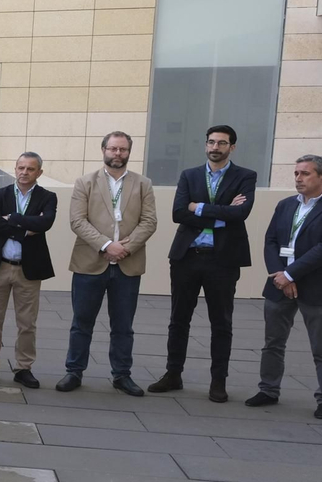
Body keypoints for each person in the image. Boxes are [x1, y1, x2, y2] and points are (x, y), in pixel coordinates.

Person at [149, 125, 257, 403]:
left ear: (232, 147)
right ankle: (173, 374)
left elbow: (241, 213)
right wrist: (222, 214)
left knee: (221, 322)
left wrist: (198, 207)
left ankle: (218, 382)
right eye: (211, 142)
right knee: (178, 319)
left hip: (223, 260)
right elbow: (177, 213)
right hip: (187, 257)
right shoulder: (190, 175)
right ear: (205, 145)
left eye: (222, 143)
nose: (215, 147)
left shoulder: (245, 176)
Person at [58, 131, 157, 396]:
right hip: (90, 263)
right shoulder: (85, 182)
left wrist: (125, 247)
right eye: (113, 149)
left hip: (128, 263)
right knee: (82, 322)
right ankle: (74, 372)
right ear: (103, 149)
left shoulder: (143, 183)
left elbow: (150, 221)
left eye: (123, 150)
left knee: (123, 326)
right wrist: (106, 245)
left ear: (129, 152)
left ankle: (122, 375)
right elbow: (77, 221)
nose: (117, 154)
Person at [0, 153, 57, 388]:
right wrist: (25, 227)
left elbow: (45, 223)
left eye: (30, 169)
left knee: (27, 323)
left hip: (28, 270)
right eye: (21, 167)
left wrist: (13, 218)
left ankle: (23, 367)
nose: (24, 172)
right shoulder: (1, 194)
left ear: (39, 172)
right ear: (15, 168)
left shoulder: (47, 197)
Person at [247, 155, 322, 417]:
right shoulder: (285, 205)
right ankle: (268, 389)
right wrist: (279, 274)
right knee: (273, 342)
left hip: (314, 286)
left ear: (320, 177)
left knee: (319, 347)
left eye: (306, 174)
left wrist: (290, 274)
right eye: (296, 173)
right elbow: (270, 240)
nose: (299, 179)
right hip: (279, 284)